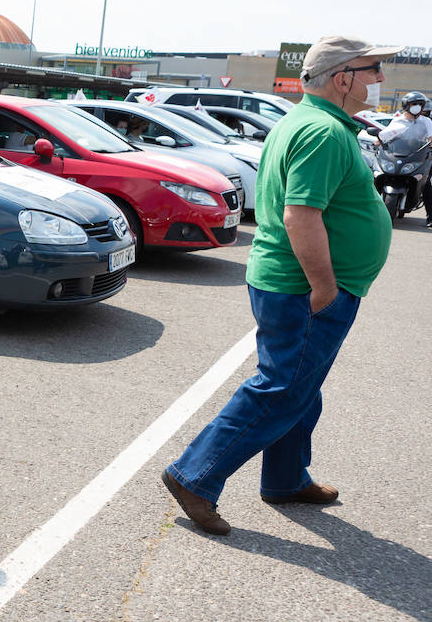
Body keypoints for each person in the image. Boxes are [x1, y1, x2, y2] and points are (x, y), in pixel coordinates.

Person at [161, 35, 399, 536]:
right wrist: (324, 287)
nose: (380, 79)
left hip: (294, 283)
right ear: (343, 77)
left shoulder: (312, 122)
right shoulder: (322, 133)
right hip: (302, 287)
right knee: (281, 387)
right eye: (373, 68)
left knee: (300, 387)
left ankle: (286, 477)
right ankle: (194, 476)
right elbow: (301, 215)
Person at [376, 91, 432, 226]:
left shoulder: (426, 122)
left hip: (419, 156)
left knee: (427, 185)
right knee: (374, 175)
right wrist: (378, 140)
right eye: (414, 104)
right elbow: (385, 137)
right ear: (406, 106)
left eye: (420, 104)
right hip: (397, 157)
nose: (417, 107)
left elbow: (430, 138)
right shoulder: (397, 121)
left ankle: (431, 216)